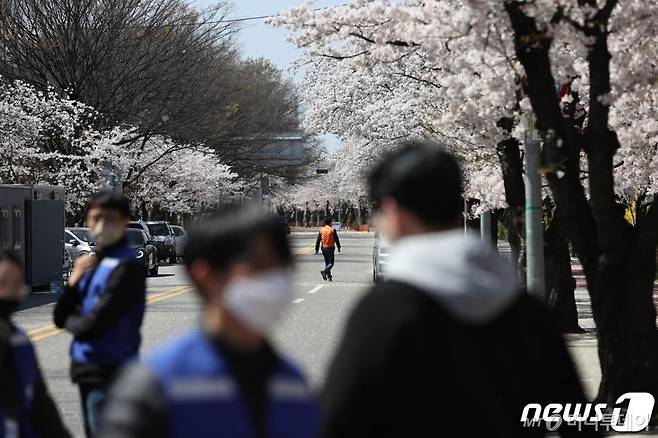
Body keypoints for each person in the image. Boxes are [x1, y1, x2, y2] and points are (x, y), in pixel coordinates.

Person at [320, 142, 598, 437]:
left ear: (393, 211)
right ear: (457, 210)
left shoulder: (385, 311)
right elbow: (577, 418)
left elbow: (336, 420)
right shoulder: (525, 309)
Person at [99, 207, 319, 438]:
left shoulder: (292, 384)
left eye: (282, 267)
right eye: (258, 266)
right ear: (205, 275)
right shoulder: (157, 384)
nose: (275, 279)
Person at [54, 191, 146, 437]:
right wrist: (74, 280)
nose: (102, 224)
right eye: (96, 218)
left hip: (114, 369)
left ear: (125, 222)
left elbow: (92, 324)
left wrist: (72, 321)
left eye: (110, 218)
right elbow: (59, 315)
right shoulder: (91, 263)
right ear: (87, 222)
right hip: (87, 368)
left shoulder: (127, 267)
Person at [0, 249, 71, 438]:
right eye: (2, 284)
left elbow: (41, 406)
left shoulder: (19, 341)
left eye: (15, 285)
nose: (6, 293)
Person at [315, 217, 341, 281]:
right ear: (330, 222)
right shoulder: (332, 230)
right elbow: (336, 239)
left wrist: (317, 248)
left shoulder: (321, 230)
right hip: (330, 248)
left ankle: (329, 276)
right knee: (331, 263)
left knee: (327, 262)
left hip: (323, 248)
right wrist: (338, 247)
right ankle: (325, 271)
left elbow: (318, 240)